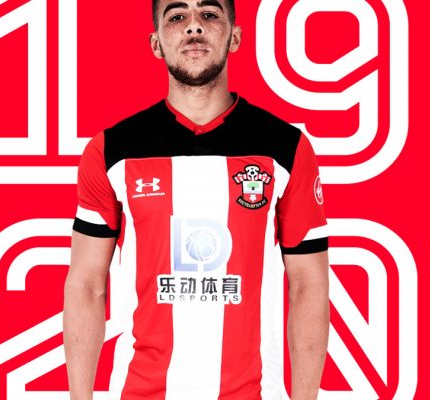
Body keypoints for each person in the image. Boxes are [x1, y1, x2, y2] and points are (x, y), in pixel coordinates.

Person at [63, 0, 330, 399]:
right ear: (156, 43)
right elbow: (86, 283)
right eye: (177, 17)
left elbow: (308, 283)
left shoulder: (285, 147)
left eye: (209, 14)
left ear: (234, 37)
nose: (193, 27)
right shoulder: (112, 150)